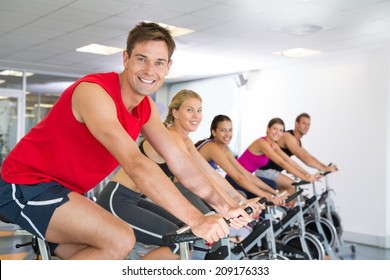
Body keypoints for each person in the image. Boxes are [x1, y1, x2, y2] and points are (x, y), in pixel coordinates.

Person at [0, 22, 251, 260]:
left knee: (101, 253)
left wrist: (225, 207)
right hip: (25, 183)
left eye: (159, 62)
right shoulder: (94, 92)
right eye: (142, 59)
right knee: (119, 238)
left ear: (168, 67)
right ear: (126, 59)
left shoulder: (145, 109)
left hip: (66, 192)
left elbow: (180, 162)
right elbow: (135, 164)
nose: (149, 71)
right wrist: (197, 220)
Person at [96, 89, 263, 260]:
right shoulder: (168, 136)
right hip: (116, 200)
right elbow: (194, 177)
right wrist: (230, 206)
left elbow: (210, 173)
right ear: (175, 112)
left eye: (199, 110)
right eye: (189, 110)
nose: (196, 115)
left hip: (135, 200)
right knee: (176, 243)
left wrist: (240, 202)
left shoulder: (186, 141)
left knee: (184, 230)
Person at [195, 115, 285, 205]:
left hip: (204, 188)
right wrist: (266, 196)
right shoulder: (212, 147)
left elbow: (246, 174)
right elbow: (238, 177)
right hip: (194, 190)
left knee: (245, 196)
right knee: (245, 198)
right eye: (223, 130)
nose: (228, 134)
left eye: (230, 130)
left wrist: (274, 193)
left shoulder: (224, 149)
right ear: (214, 132)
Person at [238, 117, 321, 197]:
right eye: (275, 129)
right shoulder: (262, 143)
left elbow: (288, 160)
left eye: (280, 130)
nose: (277, 133)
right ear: (268, 129)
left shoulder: (273, 145)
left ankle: (287, 209)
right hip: (237, 178)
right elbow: (282, 163)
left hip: (246, 178)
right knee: (267, 198)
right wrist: (304, 177)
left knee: (288, 192)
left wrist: (307, 175)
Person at [265, 113, 338, 173]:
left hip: (275, 171)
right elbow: (304, 157)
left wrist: (325, 166)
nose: (307, 127)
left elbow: (308, 156)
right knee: (291, 187)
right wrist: (325, 168)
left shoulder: (298, 142)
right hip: (266, 170)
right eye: (304, 123)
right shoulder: (289, 137)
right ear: (297, 124)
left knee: (294, 187)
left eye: (308, 124)